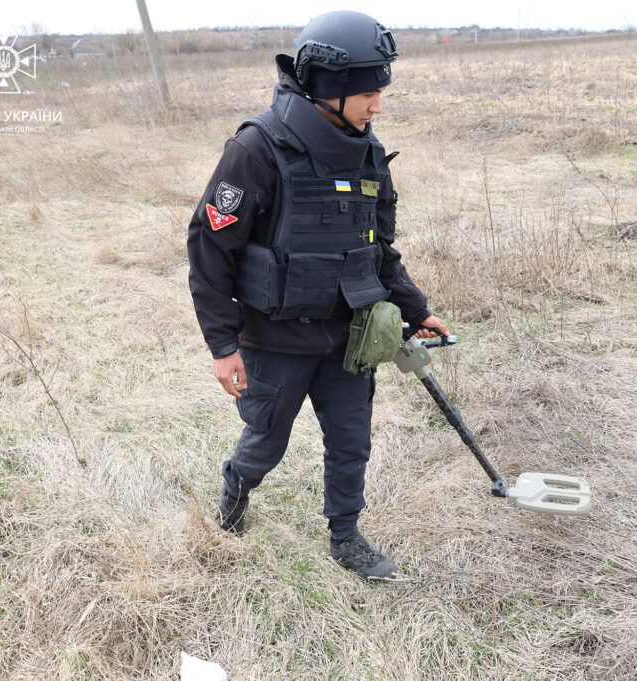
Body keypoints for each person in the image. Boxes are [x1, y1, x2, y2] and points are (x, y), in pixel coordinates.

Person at [187, 10, 448, 581]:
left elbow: (378, 248)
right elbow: (210, 248)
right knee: (266, 442)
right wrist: (221, 345)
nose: (378, 104)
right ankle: (237, 483)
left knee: (352, 443)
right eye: (368, 92)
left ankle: (346, 537)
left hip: (349, 334)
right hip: (275, 338)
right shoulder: (256, 149)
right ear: (329, 86)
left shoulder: (368, 151)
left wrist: (417, 308)